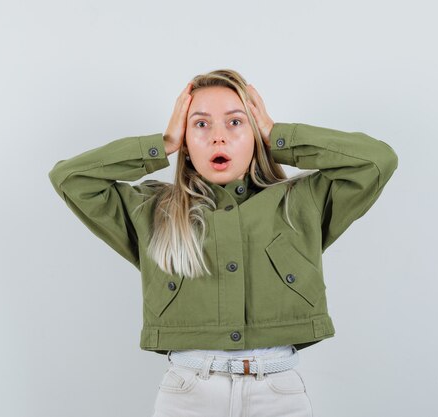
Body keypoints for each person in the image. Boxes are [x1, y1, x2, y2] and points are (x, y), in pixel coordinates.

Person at [48, 69, 398, 417]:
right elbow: (70, 178)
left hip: (278, 394)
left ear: (255, 132)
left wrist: (279, 137)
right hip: (187, 395)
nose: (218, 137)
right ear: (185, 138)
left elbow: (376, 161)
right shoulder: (152, 211)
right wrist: (163, 144)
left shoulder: (301, 202)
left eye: (235, 122)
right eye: (200, 124)